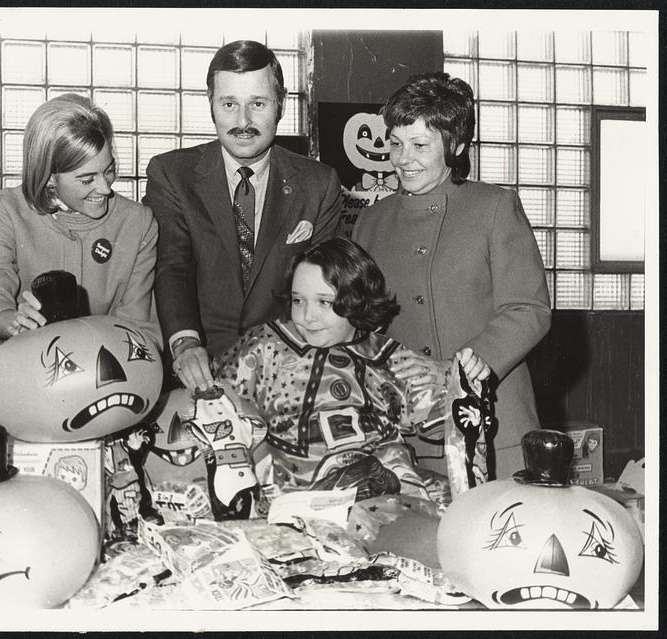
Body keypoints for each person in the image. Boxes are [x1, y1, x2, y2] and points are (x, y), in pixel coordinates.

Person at [351, 71, 551, 479]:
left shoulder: (494, 207)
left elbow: (528, 310)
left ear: (456, 145)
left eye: (420, 145)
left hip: (494, 429)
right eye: (396, 143)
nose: (403, 159)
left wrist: (458, 370)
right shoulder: (369, 223)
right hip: (405, 435)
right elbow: (363, 325)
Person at [212, 237, 490, 501]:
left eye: (324, 302)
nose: (308, 316)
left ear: (356, 300)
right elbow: (216, 408)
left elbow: (449, 427)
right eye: (298, 300)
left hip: (385, 497)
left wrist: (461, 381)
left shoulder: (389, 359)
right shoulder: (264, 346)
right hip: (285, 496)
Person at [144, 40, 341, 393]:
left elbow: (324, 287)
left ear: (280, 106)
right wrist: (185, 345)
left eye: (258, 104)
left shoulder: (319, 183)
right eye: (229, 104)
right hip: (193, 371)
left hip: (287, 373)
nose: (243, 122)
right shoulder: (171, 173)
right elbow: (172, 267)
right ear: (212, 106)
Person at [0, 93, 160, 351]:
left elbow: (139, 324)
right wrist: (10, 321)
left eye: (109, 170)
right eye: (87, 179)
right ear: (48, 177)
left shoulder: (138, 223)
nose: (105, 188)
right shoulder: (5, 210)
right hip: (29, 369)